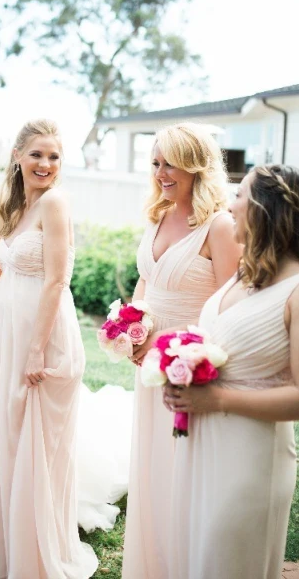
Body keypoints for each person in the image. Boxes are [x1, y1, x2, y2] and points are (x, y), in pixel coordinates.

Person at [0, 119, 98, 579]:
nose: (45, 164)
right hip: (9, 332)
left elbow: (57, 279)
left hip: (43, 336)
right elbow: (13, 274)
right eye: (37, 154)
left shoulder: (56, 203)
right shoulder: (19, 206)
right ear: (18, 156)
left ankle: (36, 553)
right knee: (10, 435)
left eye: (54, 156)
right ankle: (8, 542)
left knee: (35, 442)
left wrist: (37, 350)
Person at [164, 165, 299, 579]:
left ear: (264, 208)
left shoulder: (295, 291)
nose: (227, 204)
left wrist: (218, 398)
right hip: (202, 446)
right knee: (194, 556)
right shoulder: (247, 273)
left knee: (227, 562)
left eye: (238, 194)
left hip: (250, 457)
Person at [121, 122, 242, 579]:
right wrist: (131, 327)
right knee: (152, 467)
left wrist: (180, 350)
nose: (161, 172)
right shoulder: (158, 214)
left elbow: (231, 303)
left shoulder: (221, 225)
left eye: (170, 162)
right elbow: (145, 282)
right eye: (155, 163)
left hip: (188, 363)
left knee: (184, 469)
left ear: (195, 164)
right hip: (147, 360)